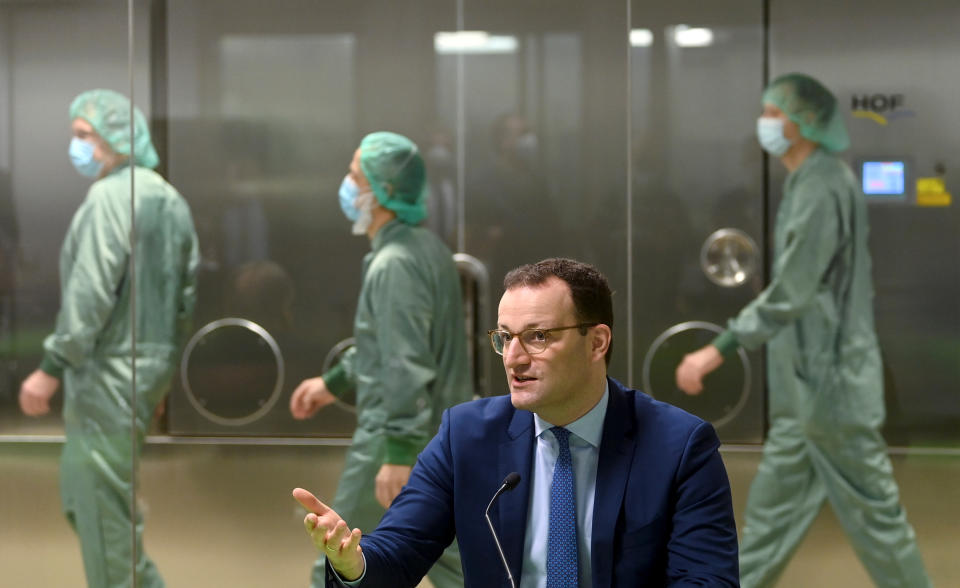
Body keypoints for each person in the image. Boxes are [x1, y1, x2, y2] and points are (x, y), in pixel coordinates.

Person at [295, 257, 739, 587]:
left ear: (597, 342)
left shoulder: (679, 446)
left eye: (538, 336)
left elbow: (707, 581)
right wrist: (354, 562)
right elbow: (400, 551)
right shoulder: (466, 435)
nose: (514, 358)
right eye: (505, 338)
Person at [675, 73, 931, 588]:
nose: (765, 122)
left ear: (803, 123)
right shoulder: (807, 182)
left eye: (773, 112)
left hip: (832, 393)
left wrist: (718, 349)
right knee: (768, 524)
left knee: (877, 521)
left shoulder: (822, 186)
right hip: (804, 395)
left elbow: (793, 291)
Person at [17, 89, 199, 587]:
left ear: (117, 136)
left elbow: (91, 292)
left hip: (105, 371)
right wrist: (159, 376)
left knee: (101, 512)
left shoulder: (109, 198)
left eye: (83, 135)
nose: (75, 146)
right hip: (146, 369)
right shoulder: (168, 197)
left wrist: (51, 367)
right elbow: (184, 297)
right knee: (107, 503)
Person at [288, 131, 470, 588]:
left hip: (396, 437)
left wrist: (398, 452)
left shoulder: (394, 264)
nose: (347, 186)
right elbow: (384, 344)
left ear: (383, 190)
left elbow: (403, 362)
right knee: (453, 560)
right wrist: (333, 381)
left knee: (339, 557)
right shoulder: (424, 249)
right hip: (436, 434)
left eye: (354, 175)